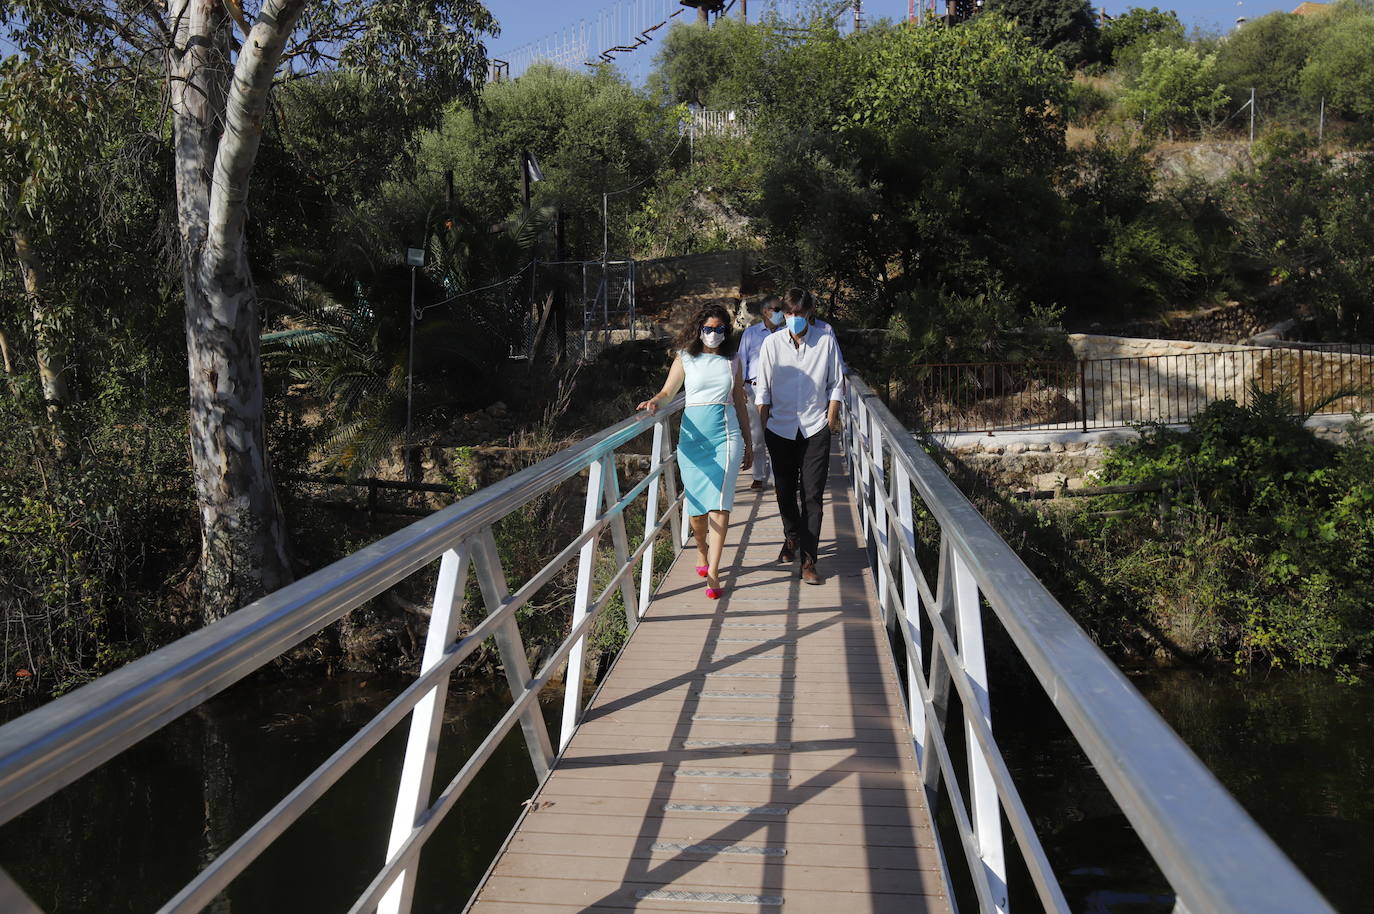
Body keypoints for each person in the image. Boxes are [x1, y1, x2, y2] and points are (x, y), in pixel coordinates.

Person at [638, 304, 754, 599]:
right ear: (698, 329)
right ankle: (701, 550)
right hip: (693, 441)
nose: (713, 334)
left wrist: (749, 442)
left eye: (719, 329)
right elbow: (667, 393)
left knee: (720, 503)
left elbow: (739, 400)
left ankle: (713, 572)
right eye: (708, 329)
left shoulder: (733, 359)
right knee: (698, 509)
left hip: (726, 437)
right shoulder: (685, 357)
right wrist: (654, 402)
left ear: (726, 331)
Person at [754, 288, 845, 586]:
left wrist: (830, 418)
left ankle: (809, 561)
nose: (794, 319)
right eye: (789, 313)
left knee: (813, 496)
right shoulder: (771, 344)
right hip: (779, 428)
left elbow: (836, 383)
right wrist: (761, 427)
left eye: (799, 314)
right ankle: (791, 536)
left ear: (809, 313)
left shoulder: (825, 341)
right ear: (784, 313)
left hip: (815, 428)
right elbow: (762, 389)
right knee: (784, 491)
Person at [733, 295, 784, 490]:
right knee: (756, 433)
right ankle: (759, 475)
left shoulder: (787, 333)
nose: (780, 313)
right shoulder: (751, 334)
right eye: (777, 309)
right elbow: (741, 360)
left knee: (781, 433)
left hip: (780, 388)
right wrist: (740, 387)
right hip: (753, 387)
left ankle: (781, 475)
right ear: (765, 311)